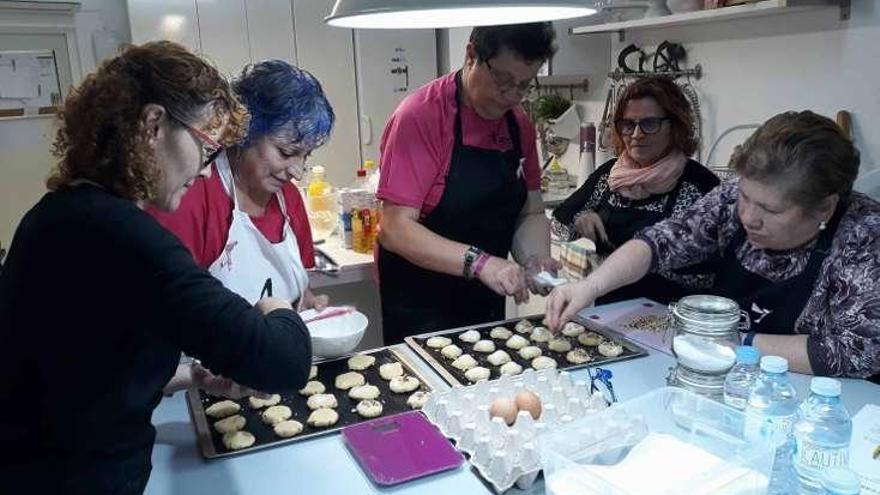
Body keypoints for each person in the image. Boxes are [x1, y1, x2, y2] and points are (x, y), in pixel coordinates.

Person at [0, 42, 312, 493]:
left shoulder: (61, 213)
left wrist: (190, 377)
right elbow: (283, 363)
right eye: (207, 148)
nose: (207, 172)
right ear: (153, 125)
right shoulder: (123, 237)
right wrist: (277, 306)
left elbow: (83, 363)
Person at [546, 111, 880, 380]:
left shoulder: (864, 235)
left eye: (770, 210)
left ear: (824, 207)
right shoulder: (735, 194)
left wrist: (735, 343)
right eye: (746, 198)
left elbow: (857, 352)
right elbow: (662, 241)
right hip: (730, 376)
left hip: (829, 400)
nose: (749, 217)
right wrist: (591, 285)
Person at [377, 23, 560, 344]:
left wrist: (534, 258)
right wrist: (481, 263)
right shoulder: (420, 116)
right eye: (503, 80)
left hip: (485, 297)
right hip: (419, 302)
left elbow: (529, 212)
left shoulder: (519, 126)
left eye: (524, 85)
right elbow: (394, 228)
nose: (512, 95)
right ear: (472, 54)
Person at [150, 59, 334, 310]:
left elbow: (297, 288)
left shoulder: (288, 199)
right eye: (286, 152)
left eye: (306, 156)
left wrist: (309, 303)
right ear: (245, 133)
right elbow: (169, 303)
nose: (298, 172)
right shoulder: (192, 195)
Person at [551, 77, 719, 304]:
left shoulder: (698, 186)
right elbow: (559, 224)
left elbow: (709, 273)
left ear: (675, 126)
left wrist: (642, 262)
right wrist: (582, 222)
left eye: (649, 124)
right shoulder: (610, 176)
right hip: (610, 309)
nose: (636, 134)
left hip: (671, 315)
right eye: (628, 124)